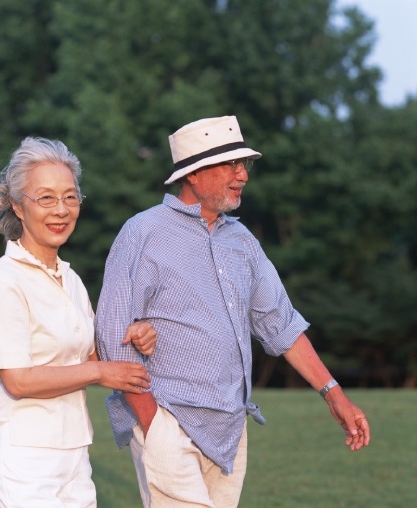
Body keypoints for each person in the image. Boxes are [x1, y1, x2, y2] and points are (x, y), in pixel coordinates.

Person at [95, 116, 371, 508]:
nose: (242, 174)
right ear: (193, 173)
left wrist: (334, 394)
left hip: (231, 427)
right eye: (231, 164)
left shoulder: (242, 241)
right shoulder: (143, 233)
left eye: (245, 165)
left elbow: (281, 324)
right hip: (168, 419)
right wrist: (153, 422)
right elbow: (112, 334)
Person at [0, 136, 157, 508]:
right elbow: (19, 379)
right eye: (46, 198)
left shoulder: (69, 279)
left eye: (70, 197)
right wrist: (101, 373)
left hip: (74, 452)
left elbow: (90, 355)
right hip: (22, 456)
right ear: (17, 206)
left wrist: (135, 335)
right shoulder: (4, 281)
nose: (61, 210)